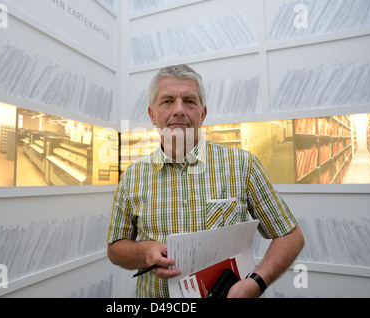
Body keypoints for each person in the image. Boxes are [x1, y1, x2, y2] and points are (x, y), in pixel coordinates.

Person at [106, 64, 304, 298]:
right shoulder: (133, 176)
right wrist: (144, 251)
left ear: (203, 113)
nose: (179, 110)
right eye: (167, 101)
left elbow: (291, 237)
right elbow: (115, 250)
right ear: (152, 114)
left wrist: (255, 284)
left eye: (189, 101)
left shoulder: (242, 165)